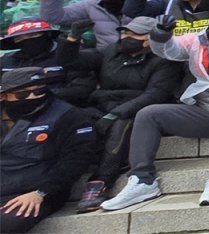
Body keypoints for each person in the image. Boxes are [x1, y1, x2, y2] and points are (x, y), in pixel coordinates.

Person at [101, 6, 209, 210]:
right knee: (148, 114)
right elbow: (168, 49)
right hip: (204, 109)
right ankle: (142, 180)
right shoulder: (200, 40)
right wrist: (161, 33)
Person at [55, 17, 182, 213]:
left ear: (150, 39)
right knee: (72, 120)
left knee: (120, 125)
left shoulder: (164, 60)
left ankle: (100, 181)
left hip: (139, 110)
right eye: (125, 33)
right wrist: (72, 38)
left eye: (134, 34)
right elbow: (69, 61)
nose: (127, 37)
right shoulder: (110, 52)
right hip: (102, 104)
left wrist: (115, 114)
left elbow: (155, 94)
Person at [0, 66, 99, 233]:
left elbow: (76, 159)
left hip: (36, 193)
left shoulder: (68, 116)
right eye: (23, 94)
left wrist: (41, 192)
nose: (33, 97)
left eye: (39, 91)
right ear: (4, 96)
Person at [40, 0, 166, 49]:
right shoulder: (92, 4)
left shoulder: (146, 4)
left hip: (140, 53)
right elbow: (54, 17)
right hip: (105, 58)